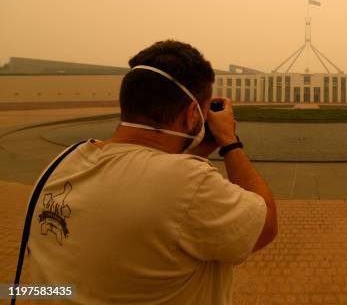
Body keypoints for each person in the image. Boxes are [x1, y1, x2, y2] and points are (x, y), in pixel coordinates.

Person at [26, 40, 277, 304]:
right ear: (193, 114)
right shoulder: (189, 183)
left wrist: (196, 150)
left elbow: (146, 179)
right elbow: (266, 224)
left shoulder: (62, 163)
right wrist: (229, 141)